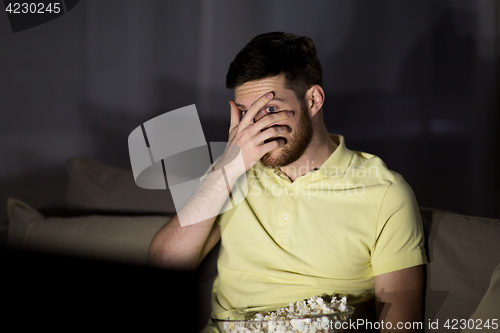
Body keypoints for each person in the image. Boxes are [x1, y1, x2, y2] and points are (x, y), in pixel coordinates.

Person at [148, 32, 427, 332]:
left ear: (313, 100)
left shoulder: (384, 193)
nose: (256, 128)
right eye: (245, 113)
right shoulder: (233, 172)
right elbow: (164, 267)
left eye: (269, 109)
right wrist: (228, 170)